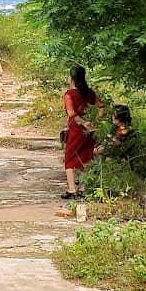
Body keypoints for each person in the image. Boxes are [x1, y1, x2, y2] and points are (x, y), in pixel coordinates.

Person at [62, 65, 102, 199]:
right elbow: (101, 107)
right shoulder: (90, 93)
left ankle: (72, 189)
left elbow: (71, 113)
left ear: (72, 78)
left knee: (69, 159)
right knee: (86, 157)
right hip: (90, 132)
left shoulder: (69, 94)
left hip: (76, 130)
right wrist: (94, 122)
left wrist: (84, 123)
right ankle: (83, 188)